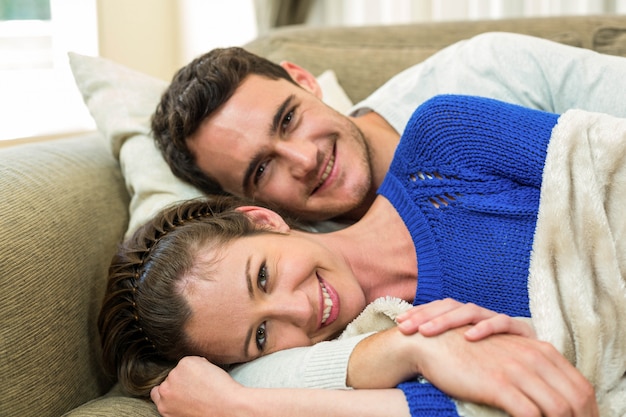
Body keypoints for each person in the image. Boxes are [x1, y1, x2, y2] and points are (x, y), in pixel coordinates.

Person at [103, 95, 626, 416]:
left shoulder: (443, 141)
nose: (298, 311)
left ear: (264, 220)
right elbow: (470, 412)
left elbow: (611, 163)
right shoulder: (366, 352)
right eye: (261, 336)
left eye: (263, 277)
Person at [151, 31, 626, 225]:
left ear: (304, 80)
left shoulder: (485, 68)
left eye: (289, 119)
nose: (304, 159)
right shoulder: (302, 275)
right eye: (261, 169)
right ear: (249, 204)